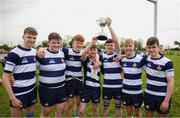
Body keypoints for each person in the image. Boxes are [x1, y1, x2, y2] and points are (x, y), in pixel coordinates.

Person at [2, 27, 38, 117]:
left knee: (30, 115)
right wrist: (13, 98)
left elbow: (3, 60)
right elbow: (4, 78)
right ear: (23, 37)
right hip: (18, 92)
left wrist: (11, 73)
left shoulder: (34, 52)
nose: (32, 40)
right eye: (29, 37)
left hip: (32, 89)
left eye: (34, 38)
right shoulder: (14, 53)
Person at [36, 32, 67, 117]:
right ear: (48, 43)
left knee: (60, 111)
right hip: (46, 90)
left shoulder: (62, 53)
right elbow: (31, 68)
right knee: (46, 112)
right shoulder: (42, 53)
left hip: (61, 88)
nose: (56, 45)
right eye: (53, 42)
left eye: (58, 42)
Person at [144, 37, 174, 117]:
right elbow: (131, 55)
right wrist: (121, 56)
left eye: (154, 47)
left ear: (158, 47)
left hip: (162, 97)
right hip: (149, 95)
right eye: (149, 47)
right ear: (147, 48)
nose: (151, 49)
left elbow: (171, 82)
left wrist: (166, 101)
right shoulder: (146, 58)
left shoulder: (167, 62)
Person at [101, 17, 123, 117]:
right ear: (105, 47)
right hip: (107, 86)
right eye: (108, 45)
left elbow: (116, 41)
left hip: (118, 86)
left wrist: (109, 26)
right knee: (105, 106)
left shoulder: (117, 54)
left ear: (114, 46)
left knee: (118, 106)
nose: (110, 46)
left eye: (111, 45)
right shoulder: (102, 57)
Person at [120, 38, 145, 117]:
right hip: (125, 91)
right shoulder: (122, 60)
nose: (128, 48)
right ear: (123, 48)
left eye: (130, 46)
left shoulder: (140, 59)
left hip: (137, 92)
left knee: (137, 113)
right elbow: (122, 73)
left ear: (134, 47)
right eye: (126, 46)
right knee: (129, 113)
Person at [63, 34, 85, 117]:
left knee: (78, 102)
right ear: (73, 43)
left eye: (81, 43)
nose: (79, 45)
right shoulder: (66, 51)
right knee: (69, 104)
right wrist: (40, 48)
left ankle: (76, 116)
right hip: (69, 81)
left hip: (79, 80)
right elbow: (54, 50)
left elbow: (96, 54)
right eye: (77, 43)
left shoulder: (83, 53)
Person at [79, 37, 101, 117]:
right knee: (81, 110)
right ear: (89, 51)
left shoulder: (100, 60)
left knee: (95, 109)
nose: (93, 51)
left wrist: (98, 60)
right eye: (91, 49)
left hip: (96, 88)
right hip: (86, 88)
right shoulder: (86, 60)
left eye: (94, 49)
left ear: (97, 51)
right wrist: (91, 43)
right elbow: (83, 54)